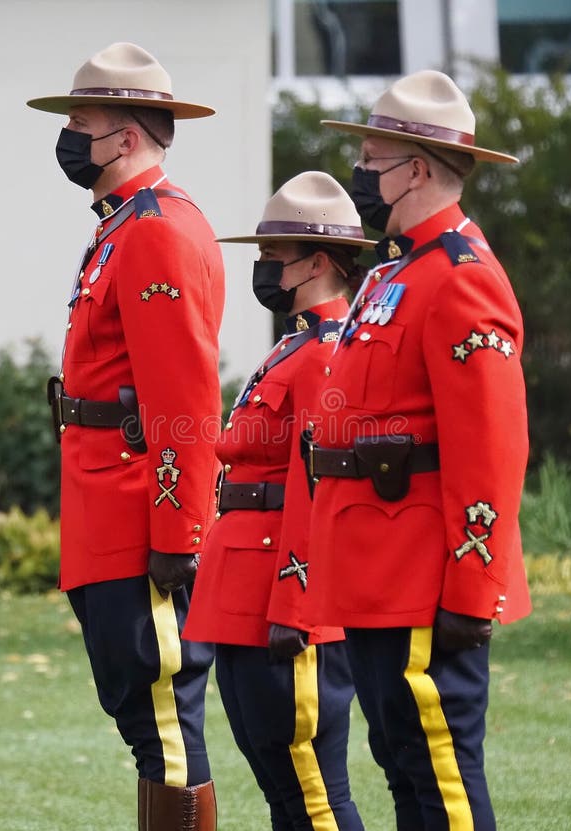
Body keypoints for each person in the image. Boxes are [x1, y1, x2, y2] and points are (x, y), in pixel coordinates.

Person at [296, 70, 532, 830]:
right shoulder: (396, 272)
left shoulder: (462, 279)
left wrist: (473, 584)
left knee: (440, 780)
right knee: (403, 767)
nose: (359, 175)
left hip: (428, 577)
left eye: (370, 160)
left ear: (417, 169)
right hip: (376, 570)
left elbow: (489, 447)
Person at [27, 42, 224, 830]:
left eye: (83, 120)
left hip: (142, 512)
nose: (71, 134)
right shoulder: (122, 227)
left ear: (130, 134)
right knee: (146, 727)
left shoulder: (154, 231)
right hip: (104, 509)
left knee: (166, 729)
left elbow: (183, 398)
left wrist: (178, 530)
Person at [184, 171, 373, 830]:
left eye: (272, 256)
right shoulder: (294, 344)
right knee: (282, 790)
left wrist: (298, 602)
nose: (262, 269)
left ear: (317, 261)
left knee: (314, 791)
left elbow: (315, 486)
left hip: (285, 599)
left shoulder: (326, 353)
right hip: (241, 589)